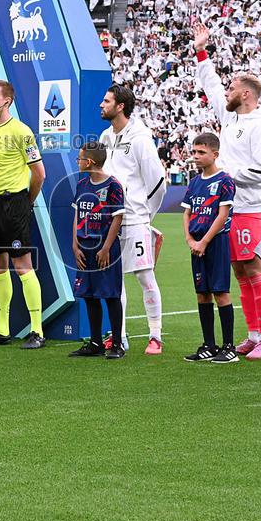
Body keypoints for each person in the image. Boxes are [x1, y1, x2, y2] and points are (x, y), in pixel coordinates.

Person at [193, 22, 261, 360]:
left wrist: (228, 175)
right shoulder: (230, 120)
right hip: (227, 208)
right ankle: (253, 333)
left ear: (245, 94)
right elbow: (211, 85)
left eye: (232, 88)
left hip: (250, 207)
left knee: (254, 269)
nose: (226, 92)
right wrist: (201, 50)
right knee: (239, 271)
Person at [0, 80, 47, 349]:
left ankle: (37, 330)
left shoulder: (21, 131)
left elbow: (39, 174)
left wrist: (26, 202)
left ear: (7, 101)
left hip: (14, 202)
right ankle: (1, 330)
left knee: (22, 266)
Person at [99, 85, 167, 354]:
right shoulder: (105, 136)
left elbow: (157, 182)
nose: (101, 105)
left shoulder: (140, 137)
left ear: (121, 106)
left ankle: (156, 335)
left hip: (136, 219)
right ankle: (120, 335)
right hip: (110, 220)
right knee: (115, 281)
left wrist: (145, 214)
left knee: (145, 276)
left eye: (106, 101)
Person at [181, 134, 238, 364]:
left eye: (201, 152)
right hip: (196, 245)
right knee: (202, 293)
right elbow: (187, 213)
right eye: (194, 152)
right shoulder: (194, 182)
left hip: (216, 243)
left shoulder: (225, 181)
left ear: (215, 154)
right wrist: (189, 240)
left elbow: (222, 215)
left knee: (220, 292)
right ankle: (209, 345)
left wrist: (203, 241)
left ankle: (229, 347)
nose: (196, 156)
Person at [68, 141, 126, 360]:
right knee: (89, 295)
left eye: (80, 158)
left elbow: (117, 217)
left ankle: (117, 344)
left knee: (110, 294)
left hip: (105, 249)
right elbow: (77, 214)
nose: (78, 161)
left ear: (89, 161)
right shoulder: (82, 184)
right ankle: (95, 342)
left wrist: (106, 247)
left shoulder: (113, 186)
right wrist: (75, 243)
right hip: (85, 247)